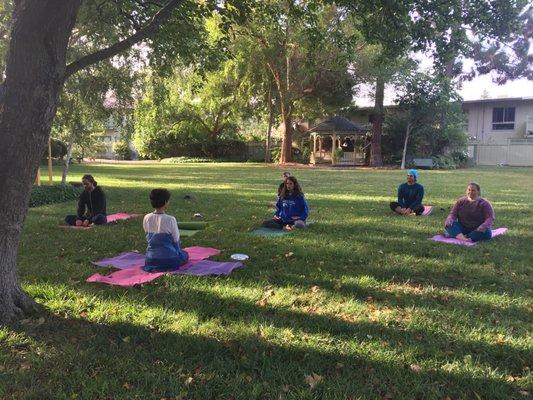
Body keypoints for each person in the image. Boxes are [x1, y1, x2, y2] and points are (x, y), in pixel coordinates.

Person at [143, 188, 189, 272]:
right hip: (170, 259)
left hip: (150, 259)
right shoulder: (170, 219)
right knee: (185, 255)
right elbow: (176, 240)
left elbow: (147, 236)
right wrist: (179, 253)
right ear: (165, 202)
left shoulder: (146, 217)